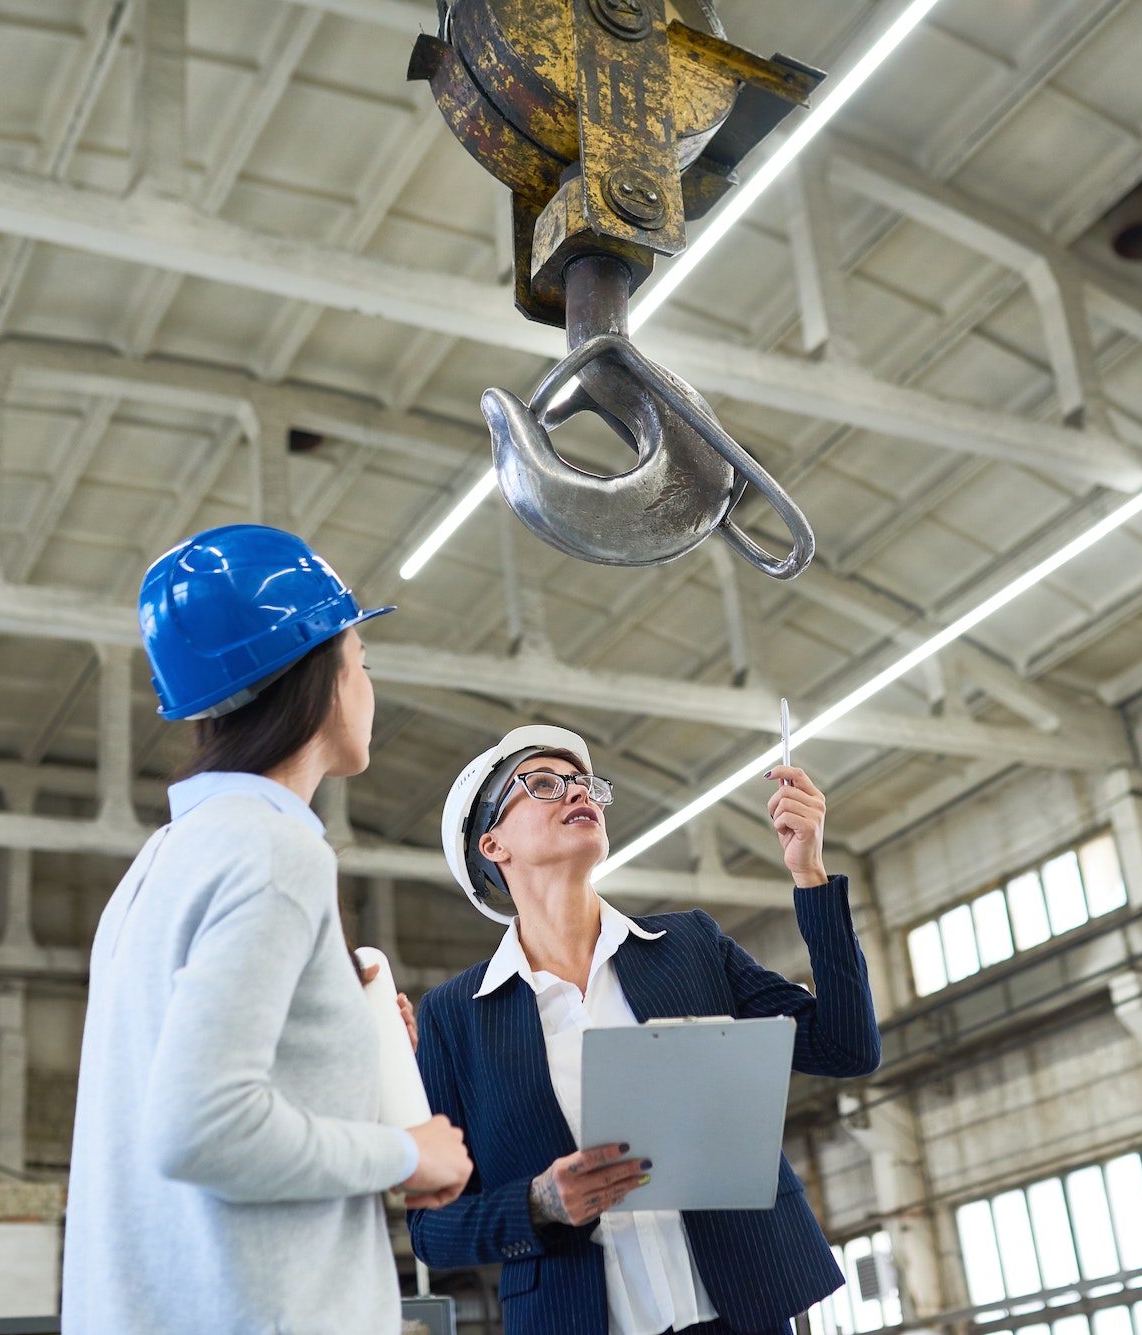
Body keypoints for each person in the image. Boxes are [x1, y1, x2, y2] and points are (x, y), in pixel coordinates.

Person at [63, 524, 473, 1335]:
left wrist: (350, 1056)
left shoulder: (159, 865)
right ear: (320, 676)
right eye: (363, 662)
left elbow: (200, 1104)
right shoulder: (274, 849)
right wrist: (408, 1153)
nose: (368, 690)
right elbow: (203, 1130)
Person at [408, 725, 881, 1335]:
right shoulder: (454, 1017)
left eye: (585, 785)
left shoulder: (689, 947)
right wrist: (539, 1203)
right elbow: (432, 1231)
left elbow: (846, 1047)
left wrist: (810, 874)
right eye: (546, 785)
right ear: (493, 844)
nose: (578, 794)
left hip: (741, 1313)